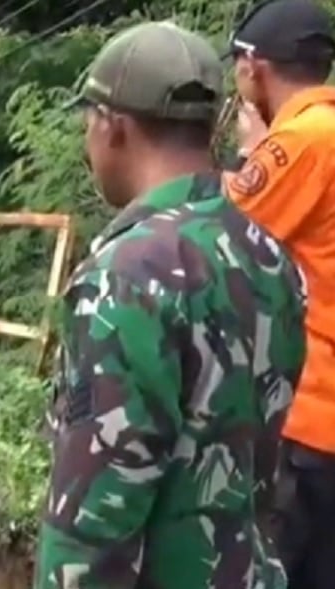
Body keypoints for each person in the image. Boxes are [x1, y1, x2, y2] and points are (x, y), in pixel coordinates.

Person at [35, 21, 308, 588]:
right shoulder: (268, 257)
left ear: (112, 127)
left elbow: (94, 526)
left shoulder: (124, 280)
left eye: (89, 120)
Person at [222, 1, 335, 586]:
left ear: (253, 67)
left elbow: (221, 232)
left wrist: (249, 153)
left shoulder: (301, 142)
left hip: (313, 415)